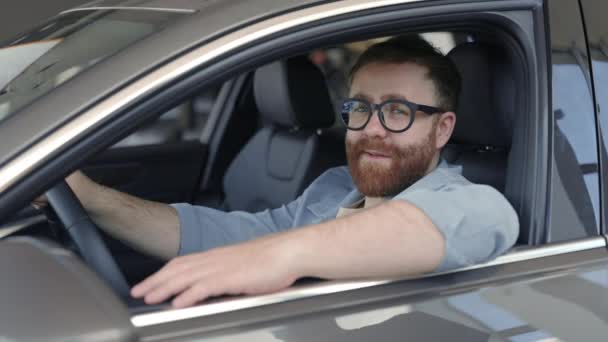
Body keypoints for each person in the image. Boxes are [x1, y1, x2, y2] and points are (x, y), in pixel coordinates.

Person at [46, 35, 519, 308]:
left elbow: (439, 224)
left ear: (442, 130)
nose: (372, 130)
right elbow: (226, 233)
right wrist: (89, 197)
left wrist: (280, 257)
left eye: (397, 112)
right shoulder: (333, 189)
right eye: (360, 109)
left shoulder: (468, 200)